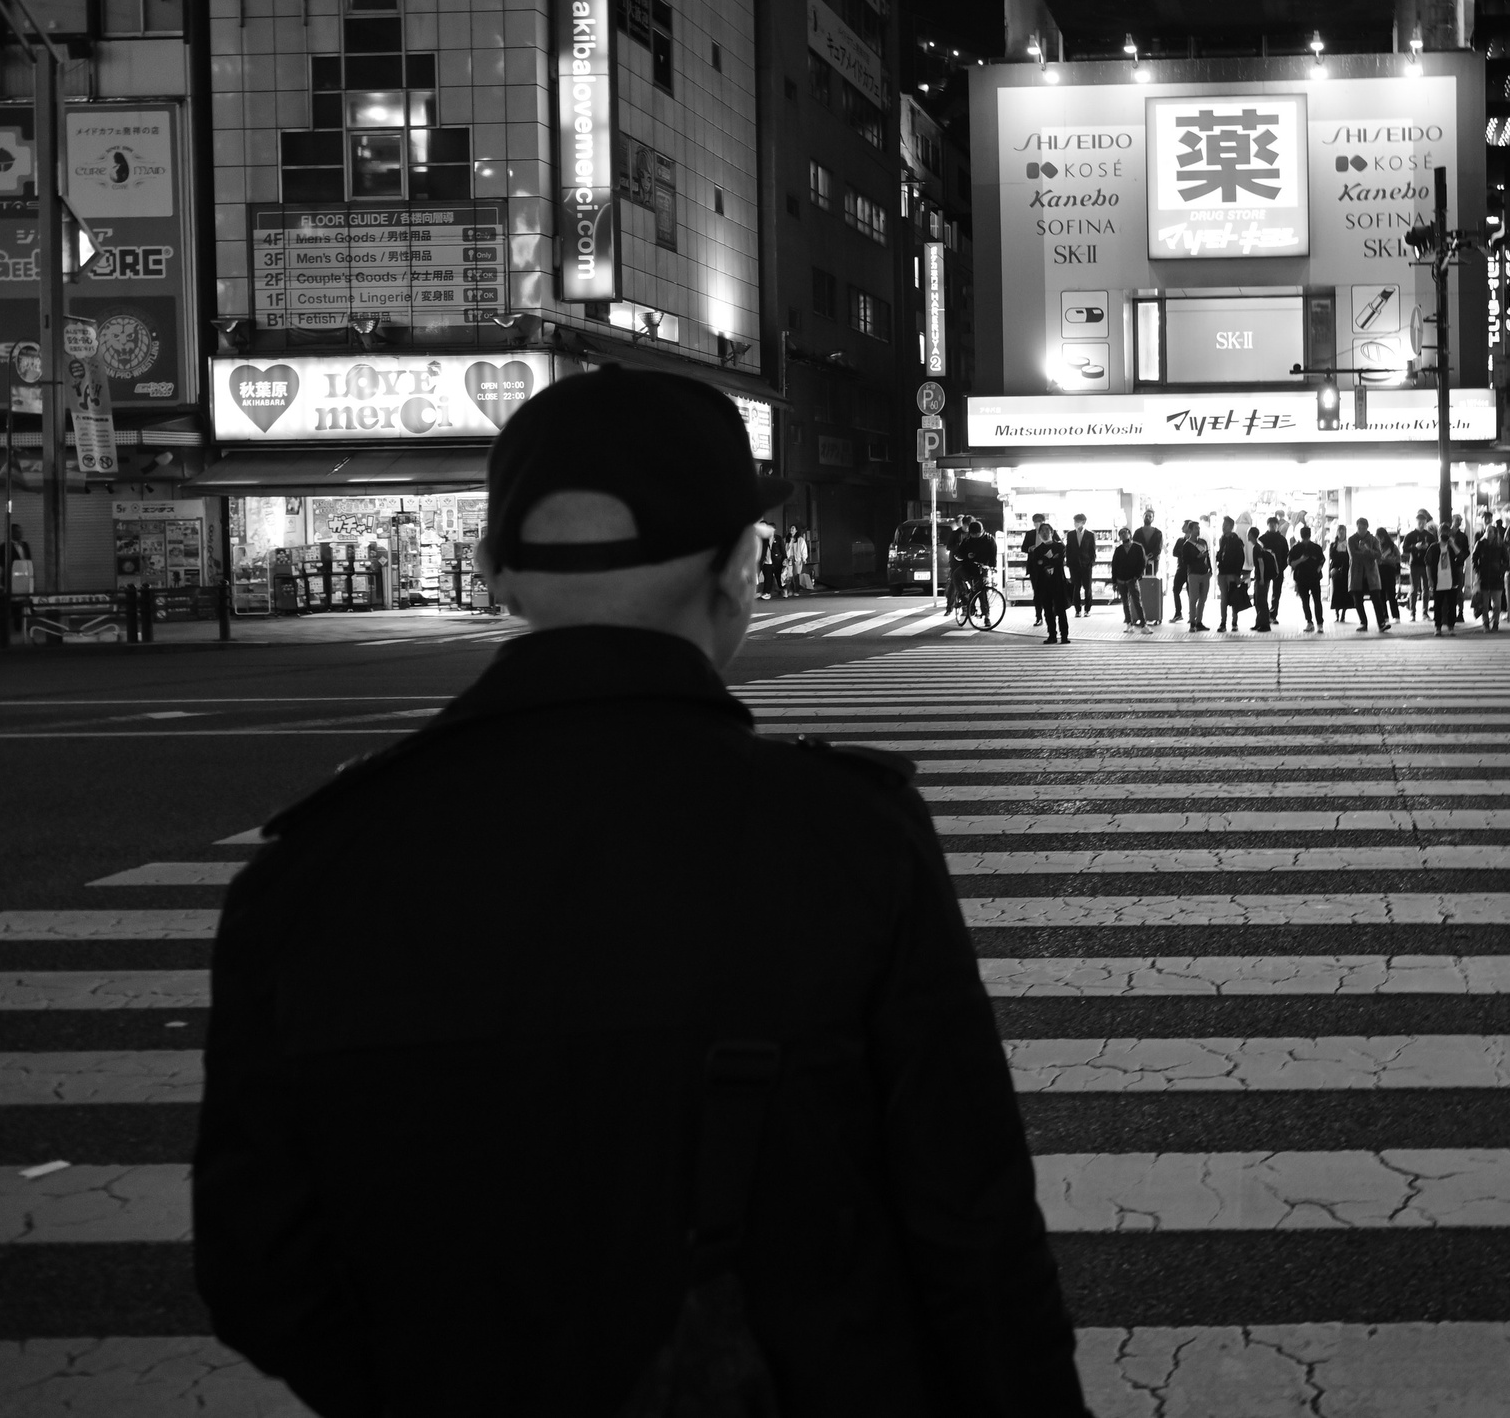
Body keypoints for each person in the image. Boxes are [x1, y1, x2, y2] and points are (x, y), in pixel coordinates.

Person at [193, 366, 1086, 1413]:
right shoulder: (845, 834)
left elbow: (258, 1268)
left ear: (495, 572)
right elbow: (972, 1227)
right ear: (740, 571)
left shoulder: (310, 868)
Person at [1026, 519, 1071, 644]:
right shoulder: (1037, 550)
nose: (1045, 533)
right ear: (1039, 534)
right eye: (1042, 531)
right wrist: (1050, 561)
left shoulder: (1059, 546)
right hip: (1044, 584)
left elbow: (1059, 561)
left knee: (1061, 609)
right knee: (1047, 610)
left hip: (1058, 582)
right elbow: (1037, 565)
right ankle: (1052, 635)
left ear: (1051, 532)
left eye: (1047, 530)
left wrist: (1045, 562)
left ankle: (1064, 635)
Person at [1345, 518, 1386, 631]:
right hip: (1357, 573)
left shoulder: (1373, 540)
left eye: (1364, 528)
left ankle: (1381, 623)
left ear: (1367, 528)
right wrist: (1368, 554)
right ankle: (1363, 623)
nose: (1362, 530)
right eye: (1359, 528)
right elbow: (1353, 555)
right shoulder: (1351, 540)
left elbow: (1378, 555)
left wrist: (1367, 550)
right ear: (1356, 527)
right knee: (1357, 600)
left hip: (1371, 574)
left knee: (1376, 599)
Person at [1172, 520, 1211, 632]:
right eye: (1195, 529)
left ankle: (1199, 621)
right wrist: (1197, 557)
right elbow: (1186, 560)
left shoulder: (1203, 542)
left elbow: (1207, 556)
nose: (1198, 530)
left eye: (1198, 528)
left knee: (1203, 599)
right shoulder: (1186, 545)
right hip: (1193, 573)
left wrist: (1210, 569)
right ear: (1190, 530)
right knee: (1193, 598)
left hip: (1205, 573)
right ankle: (1192, 622)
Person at [1472, 521, 1510, 631]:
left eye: (1490, 531)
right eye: (1487, 531)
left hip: (1496, 578)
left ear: (1495, 533)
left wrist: (1500, 570)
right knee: (1484, 603)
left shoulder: (1500, 545)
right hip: (1484, 577)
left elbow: (1506, 560)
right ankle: (1485, 623)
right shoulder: (1480, 544)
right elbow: (1474, 558)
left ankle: (1496, 622)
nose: (1488, 533)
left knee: (1496, 604)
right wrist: (1478, 570)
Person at [1288, 524, 1327, 632]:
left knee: (1307, 601)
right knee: (1314, 601)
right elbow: (1322, 560)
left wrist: (1301, 560)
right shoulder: (1315, 547)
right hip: (1310, 577)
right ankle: (1318, 624)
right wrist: (1317, 567)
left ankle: (1311, 623)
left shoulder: (1296, 548)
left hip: (1303, 577)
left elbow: (1291, 563)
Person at [1110, 526, 1149, 629]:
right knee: (1125, 602)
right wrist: (1114, 581)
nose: (1123, 535)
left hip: (1132, 578)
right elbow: (1114, 565)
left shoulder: (1137, 547)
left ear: (1129, 534)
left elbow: (1142, 562)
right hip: (1121, 579)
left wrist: (1137, 575)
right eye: (1121, 534)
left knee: (1137, 601)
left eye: (1125, 532)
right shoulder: (1118, 550)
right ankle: (1128, 622)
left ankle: (1143, 623)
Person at [1254, 519, 1289, 631]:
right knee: (1263, 595)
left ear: (1278, 526)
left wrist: (1281, 568)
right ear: (1267, 525)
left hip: (1279, 570)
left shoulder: (1282, 540)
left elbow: (1286, 555)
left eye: (1274, 524)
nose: (1272, 526)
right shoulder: (1262, 539)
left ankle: (1273, 615)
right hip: (1266, 571)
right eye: (1270, 524)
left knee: (1276, 593)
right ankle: (1264, 617)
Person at [1215, 517, 1248, 633]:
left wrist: (1237, 573)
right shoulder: (1222, 539)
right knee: (1223, 598)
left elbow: (1240, 558)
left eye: (1226, 525)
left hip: (1233, 574)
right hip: (1222, 573)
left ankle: (1234, 622)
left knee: (1234, 597)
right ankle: (1223, 622)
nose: (1223, 528)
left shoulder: (1236, 540)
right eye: (1223, 525)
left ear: (1231, 526)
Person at [1405, 513, 1438, 622]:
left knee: (1426, 589)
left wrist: (1427, 547)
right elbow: (1404, 549)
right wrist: (1415, 547)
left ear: (1425, 523)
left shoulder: (1429, 535)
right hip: (1414, 564)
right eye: (1419, 522)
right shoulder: (1410, 535)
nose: (1421, 524)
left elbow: (1435, 548)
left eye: (1423, 523)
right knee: (1414, 589)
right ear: (1416, 522)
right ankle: (1412, 612)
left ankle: (1425, 612)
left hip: (1426, 565)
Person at [1064, 514, 1098, 615]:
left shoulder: (1090, 535)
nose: (1075, 524)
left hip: (1086, 565)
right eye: (1075, 521)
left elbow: (1092, 550)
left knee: (1087, 588)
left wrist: (1091, 562)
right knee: (1075, 588)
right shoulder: (1070, 534)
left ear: (1083, 522)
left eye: (1077, 521)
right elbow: (1068, 549)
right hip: (1074, 565)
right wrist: (1068, 562)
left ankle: (1087, 609)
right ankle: (1077, 610)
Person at [1376, 527, 1402, 623]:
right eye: (1378, 537)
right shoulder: (1376, 546)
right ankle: (1384, 616)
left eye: (1381, 537)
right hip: (1379, 570)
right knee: (1381, 594)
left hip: (1390, 570)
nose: (1380, 539)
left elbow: (1398, 558)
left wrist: (1397, 571)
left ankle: (1396, 616)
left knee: (1391, 594)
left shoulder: (1392, 546)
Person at [0, 523, 30, 597]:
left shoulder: (25, 545)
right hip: (11, 578)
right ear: (12, 533)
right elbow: (1, 561)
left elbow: (29, 560)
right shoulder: (4, 547)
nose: (20, 534)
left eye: (21, 532)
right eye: (18, 532)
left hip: (24, 577)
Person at [1132, 508, 1165, 578]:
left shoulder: (1158, 533)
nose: (1147, 518)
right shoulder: (1137, 532)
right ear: (1143, 517)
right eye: (1146, 516)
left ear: (1153, 519)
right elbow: (1134, 547)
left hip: (1153, 562)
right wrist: (1142, 557)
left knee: (1151, 582)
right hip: (1139, 562)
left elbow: (1158, 549)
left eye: (1150, 516)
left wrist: (1149, 557)